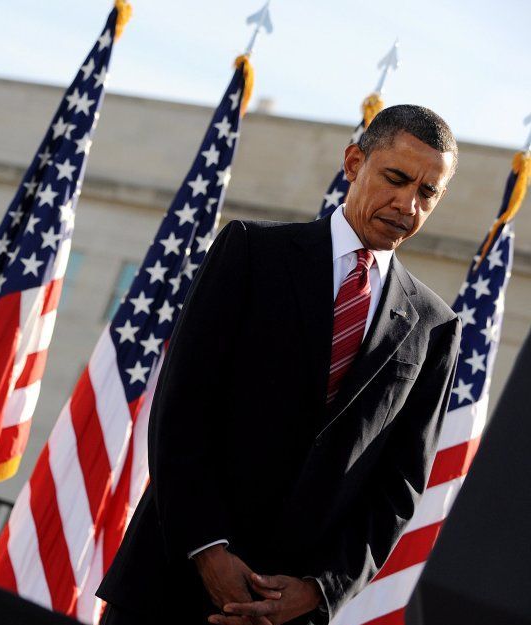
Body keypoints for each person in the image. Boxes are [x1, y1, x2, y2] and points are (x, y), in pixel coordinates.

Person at [96, 104, 463, 625]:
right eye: (396, 178)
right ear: (354, 162)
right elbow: (181, 408)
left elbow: (399, 487)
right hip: (168, 583)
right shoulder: (251, 251)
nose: (407, 203)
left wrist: (320, 589)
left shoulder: (434, 326)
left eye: (427, 193)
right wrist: (208, 550)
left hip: (289, 613)